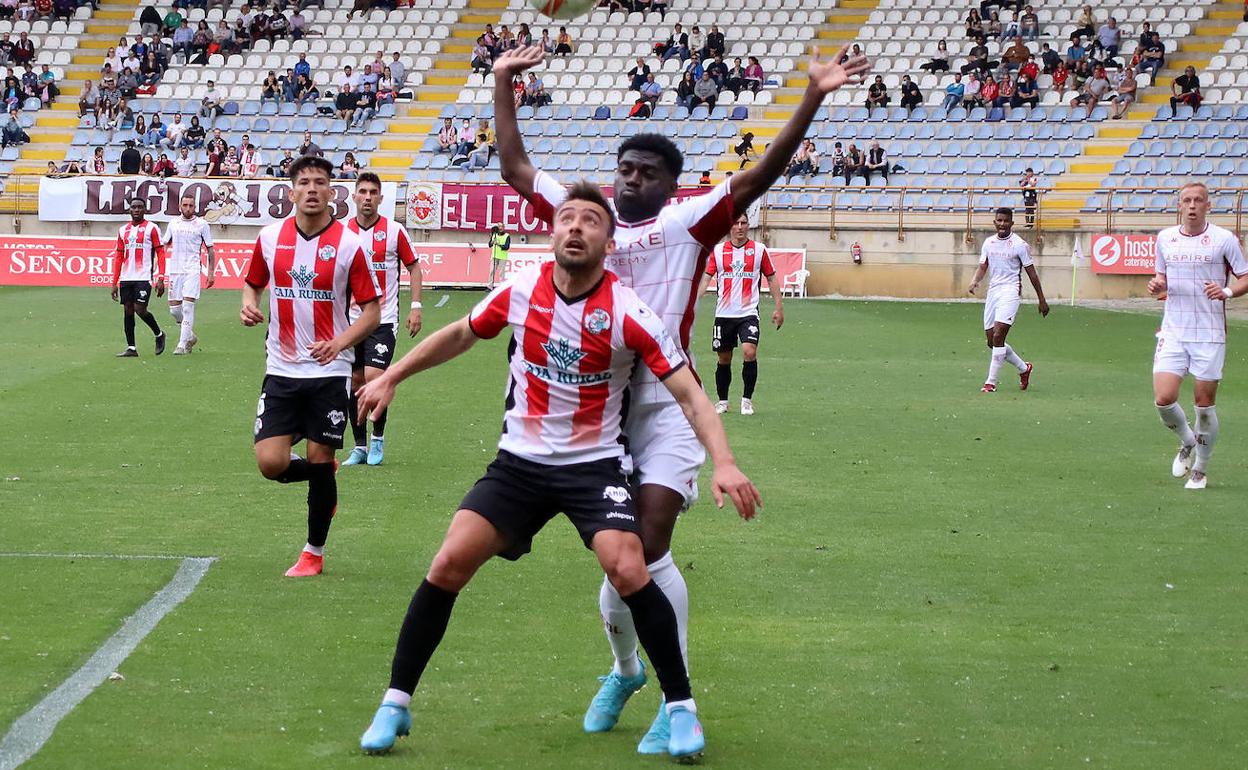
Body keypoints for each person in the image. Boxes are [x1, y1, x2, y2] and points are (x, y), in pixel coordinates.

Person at [488, 41, 869, 751]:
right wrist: (504, 80)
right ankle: (627, 670)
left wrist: (813, 97)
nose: (631, 180)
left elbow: (760, 176)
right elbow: (514, 167)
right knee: (616, 558)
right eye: (625, 169)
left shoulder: (686, 223)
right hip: (589, 408)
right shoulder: (585, 218)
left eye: (648, 173)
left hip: (666, 403)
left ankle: (674, 698)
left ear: (672, 185)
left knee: (648, 543)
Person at [355, 181, 760, 760]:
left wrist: (724, 461)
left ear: (607, 238)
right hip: (518, 466)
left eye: (590, 220)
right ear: (551, 231)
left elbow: (691, 395)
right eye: (566, 217)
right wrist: (392, 375)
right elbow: (460, 335)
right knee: (448, 561)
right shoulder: (522, 289)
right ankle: (394, 703)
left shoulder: (628, 310)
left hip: (592, 467)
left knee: (628, 562)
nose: (575, 226)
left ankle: (681, 708)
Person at [239, 155, 381, 577]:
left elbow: (371, 312)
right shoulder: (269, 238)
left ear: (332, 190)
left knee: (319, 458)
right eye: (305, 182)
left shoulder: (349, 245)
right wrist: (249, 305)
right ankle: (325, 478)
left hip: (330, 372)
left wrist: (339, 343)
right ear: (292, 190)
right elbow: (252, 283)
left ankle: (313, 553)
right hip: (282, 368)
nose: (313, 189)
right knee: (271, 463)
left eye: (321, 182)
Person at [1148, 182, 1248, 490]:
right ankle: (1187, 441)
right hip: (1174, 330)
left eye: (1198, 200)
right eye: (1187, 200)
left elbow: (1245, 276)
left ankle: (1201, 470)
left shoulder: (1223, 240)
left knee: (1203, 405)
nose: (1192, 205)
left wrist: (1227, 290)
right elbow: (1161, 276)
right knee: (1164, 399)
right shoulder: (1165, 239)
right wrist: (1158, 285)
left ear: (1208, 206)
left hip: (1209, 333)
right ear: (1179, 205)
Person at [340, 172, 422, 467]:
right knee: (355, 382)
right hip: (350, 320)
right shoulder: (342, 231)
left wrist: (416, 306)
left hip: (383, 319)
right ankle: (359, 446)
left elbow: (414, 267)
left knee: (375, 378)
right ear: (354, 196)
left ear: (381, 198)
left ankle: (377, 439)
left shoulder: (394, 230)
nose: (367, 197)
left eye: (373, 192)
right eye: (362, 191)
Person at [698, 213, 783, 415]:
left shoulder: (759, 250)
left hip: (748, 312)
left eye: (743, 223)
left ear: (748, 226)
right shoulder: (718, 251)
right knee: (724, 358)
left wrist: (779, 307)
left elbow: (771, 278)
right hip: (724, 314)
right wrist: (692, 302)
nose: (739, 227)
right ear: (730, 226)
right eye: (735, 223)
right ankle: (723, 401)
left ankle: (746, 401)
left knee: (749, 351)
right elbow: (705, 279)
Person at [966, 207, 1048, 393]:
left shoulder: (1019, 245)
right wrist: (975, 281)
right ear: (995, 222)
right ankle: (1024, 368)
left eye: (1005, 221)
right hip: (993, 292)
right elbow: (983, 266)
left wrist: (1041, 300)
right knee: (992, 341)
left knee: (998, 335)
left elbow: (1032, 274)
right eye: (999, 221)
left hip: (1011, 291)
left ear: (1012, 223)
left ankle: (990, 382)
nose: (1002, 224)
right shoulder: (989, 243)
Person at [110, 199, 168, 357]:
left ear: (144, 210)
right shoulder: (123, 230)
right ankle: (131, 348)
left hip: (143, 277)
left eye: (139, 207)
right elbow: (119, 255)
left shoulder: (152, 228)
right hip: (127, 277)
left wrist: (161, 278)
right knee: (128, 310)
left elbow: (161, 253)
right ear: (130, 210)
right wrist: (114, 281)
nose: (136, 210)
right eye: (133, 207)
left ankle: (159, 334)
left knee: (139, 309)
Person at [162, 192, 216, 354]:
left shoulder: (201, 224)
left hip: (192, 269)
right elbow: (164, 245)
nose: (187, 208)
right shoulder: (173, 223)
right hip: (175, 270)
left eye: (191, 205)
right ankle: (190, 336)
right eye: (185, 205)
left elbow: (210, 249)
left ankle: (182, 344)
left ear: (195, 207)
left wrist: (211, 272)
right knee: (174, 310)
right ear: (180, 206)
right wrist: (159, 265)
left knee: (187, 307)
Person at [487, 222, 510, 288]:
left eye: (501, 226)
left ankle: (501, 287)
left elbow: (506, 247)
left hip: (502, 257)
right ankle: (490, 286)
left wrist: (498, 244)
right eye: (499, 226)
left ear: (504, 228)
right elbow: (489, 245)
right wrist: (491, 238)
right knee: (491, 271)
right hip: (494, 256)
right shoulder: (494, 235)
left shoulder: (507, 236)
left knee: (501, 273)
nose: (500, 228)